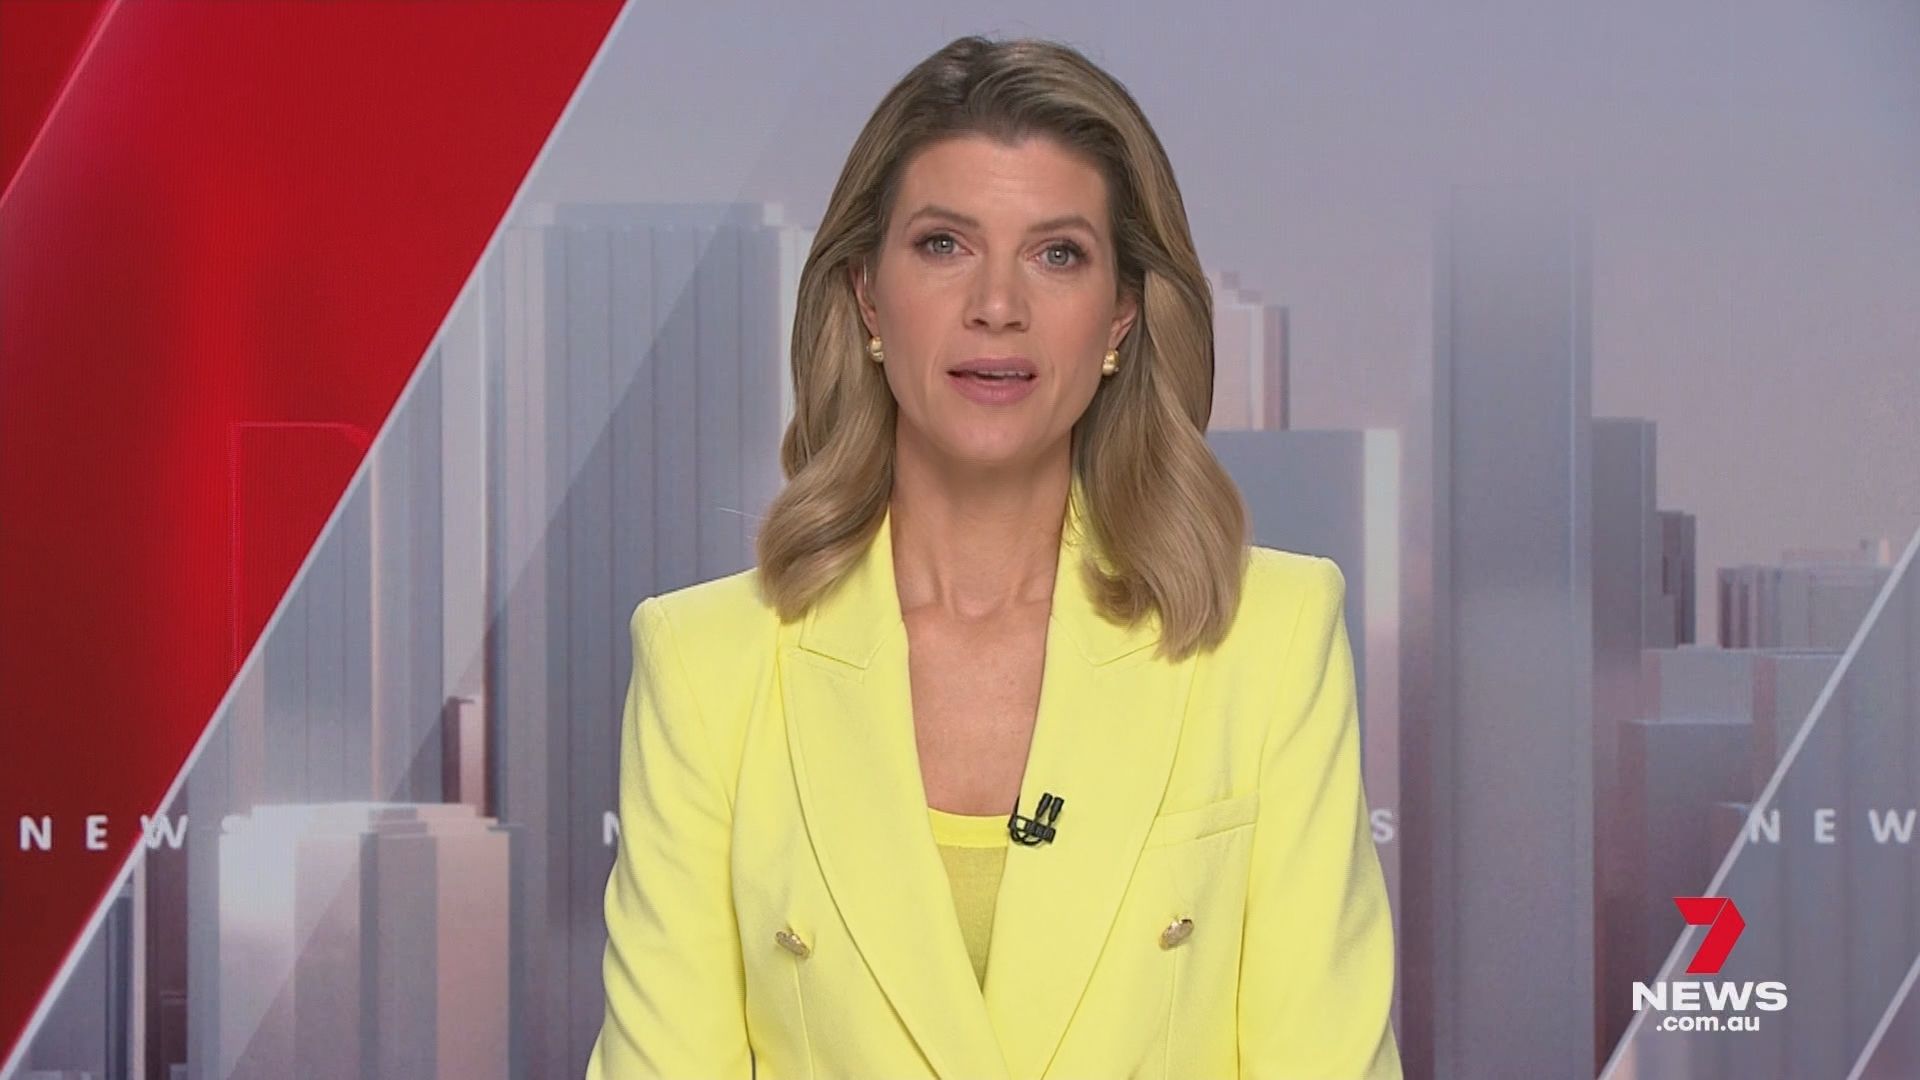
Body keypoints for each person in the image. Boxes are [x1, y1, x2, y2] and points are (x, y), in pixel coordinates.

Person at [585, 34, 1401, 1080]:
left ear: (1121, 316)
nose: (998, 305)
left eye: (1057, 254)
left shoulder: (1268, 640)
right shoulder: (707, 666)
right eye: (944, 245)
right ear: (867, 296)